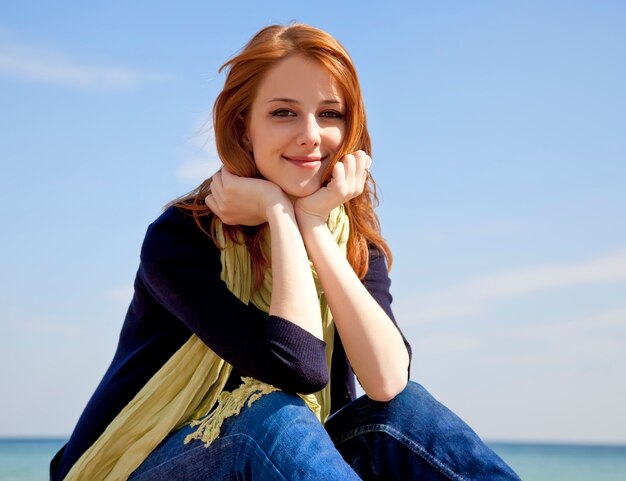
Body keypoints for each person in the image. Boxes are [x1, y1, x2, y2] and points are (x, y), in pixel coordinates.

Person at [50, 23, 521, 481]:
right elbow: (297, 367)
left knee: (406, 410)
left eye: (330, 114)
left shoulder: (352, 238)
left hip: (280, 456)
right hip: (142, 464)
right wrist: (278, 212)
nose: (311, 134)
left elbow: (387, 381)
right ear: (243, 126)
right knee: (270, 416)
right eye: (283, 113)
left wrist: (312, 226)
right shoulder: (181, 238)